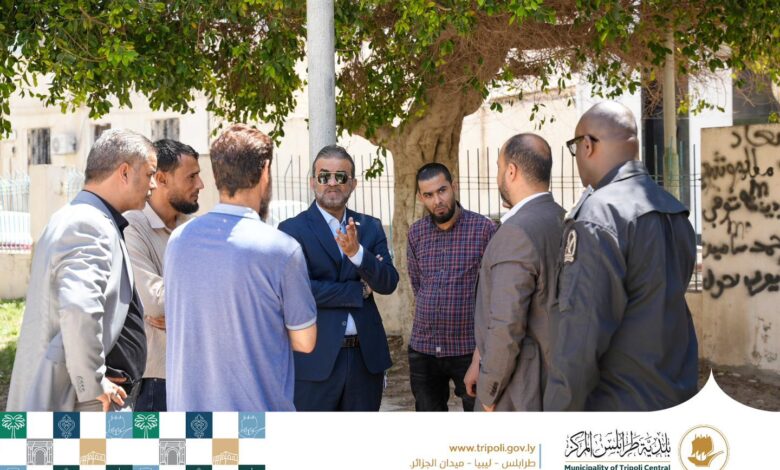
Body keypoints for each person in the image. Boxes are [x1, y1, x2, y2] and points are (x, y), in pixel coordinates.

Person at [544, 101, 698, 411]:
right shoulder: (672, 209)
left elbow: (580, 337)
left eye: (575, 147)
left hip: (619, 407)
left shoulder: (599, 215)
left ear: (587, 145)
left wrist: (557, 416)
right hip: (674, 394)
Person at [164, 124, 316, 411]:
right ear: (265, 171)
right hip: (255, 422)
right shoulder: (282, 249)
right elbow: (305, 341)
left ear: (216, 175)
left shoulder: (178, 240)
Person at [7, 129, 157, 411]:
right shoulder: (89, 223)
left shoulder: (83, 217)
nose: (154, 185)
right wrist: (93, 383)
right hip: (82, 404)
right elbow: (79, 308)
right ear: (125, 172)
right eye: (150, 174)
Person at [279, 145, 399, 411]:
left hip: (365, 360)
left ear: (353, 184)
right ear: (313, 182)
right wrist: (358, 291)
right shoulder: (292, 230)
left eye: (340, 176)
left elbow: (388, 282)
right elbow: (299, 291)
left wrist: (358, 254)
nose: (332, 183)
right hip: (315, 361)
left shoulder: (371, 227)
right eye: (324, 176)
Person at [464, 134, 564, 412]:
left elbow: (506, 325)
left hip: (520, 391)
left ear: (511, 171)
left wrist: (488, 392)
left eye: (498, 167)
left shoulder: (516, 232)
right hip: (558, 380)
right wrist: (478, 359)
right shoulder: (563, 218)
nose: (498, 176)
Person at [406, 163, 495, 412]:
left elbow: (492, 290)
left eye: (442, 190)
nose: (437, 200)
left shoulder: (483, 229)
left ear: (454, 187)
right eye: (429, 195)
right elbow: (417, 283)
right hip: (424, 349)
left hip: (469, 349)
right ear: (420, 197)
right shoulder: (416, 233)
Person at [124, 139, 204, 412]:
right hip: (156, 379)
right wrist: (202, 305)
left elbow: (220, 294)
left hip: (199, 373)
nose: (201, 184)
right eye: (191, 177)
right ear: (160, 179)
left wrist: (181, 313)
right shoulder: (133, 226)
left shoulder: (194, 228)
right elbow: (155, 303)